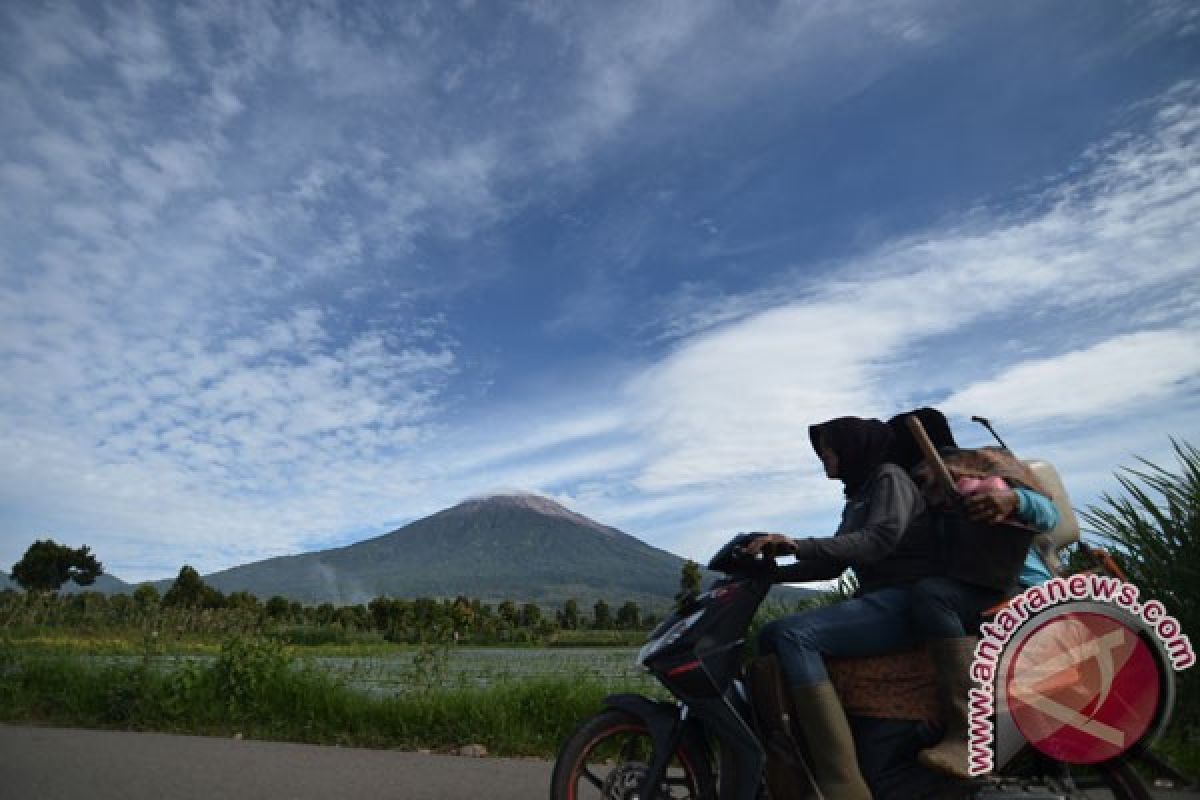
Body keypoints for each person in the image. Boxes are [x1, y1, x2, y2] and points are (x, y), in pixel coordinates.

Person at [748, 416, 942, 800]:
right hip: (878, 600)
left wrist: (797, 545)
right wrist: (765, 574)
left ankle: (841, 780)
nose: (824, 457)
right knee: (770, 635)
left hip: (906, 597)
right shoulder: (860, 493)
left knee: (792, 635)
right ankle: (797, 757)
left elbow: (878, 540)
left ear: (854, 447)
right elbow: (833, 563)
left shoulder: (889, 478)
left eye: (829, 449)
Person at [886, 408, 1061, 779]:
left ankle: (968, 731)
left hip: (1020, 586)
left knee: (932, 596)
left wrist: (1013, 501)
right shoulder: (912, 488)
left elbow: (1049, 515)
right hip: (971, 589)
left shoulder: (984, 465)